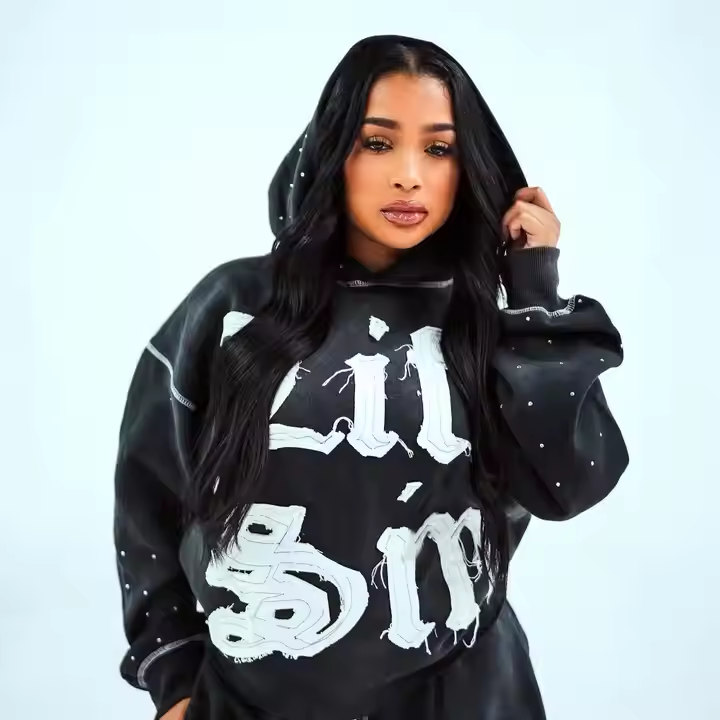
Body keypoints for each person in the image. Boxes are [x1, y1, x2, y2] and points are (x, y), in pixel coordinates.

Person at [113, 34, 629, 720]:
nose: (409, 175)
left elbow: (570, 482)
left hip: (465, 698)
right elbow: (149, 497)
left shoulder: (494, 322)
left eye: (439, 149)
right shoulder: (233, 306)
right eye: (378, 143)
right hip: (252, 701)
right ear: (332, 151)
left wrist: (534, 287)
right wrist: (174, 678)